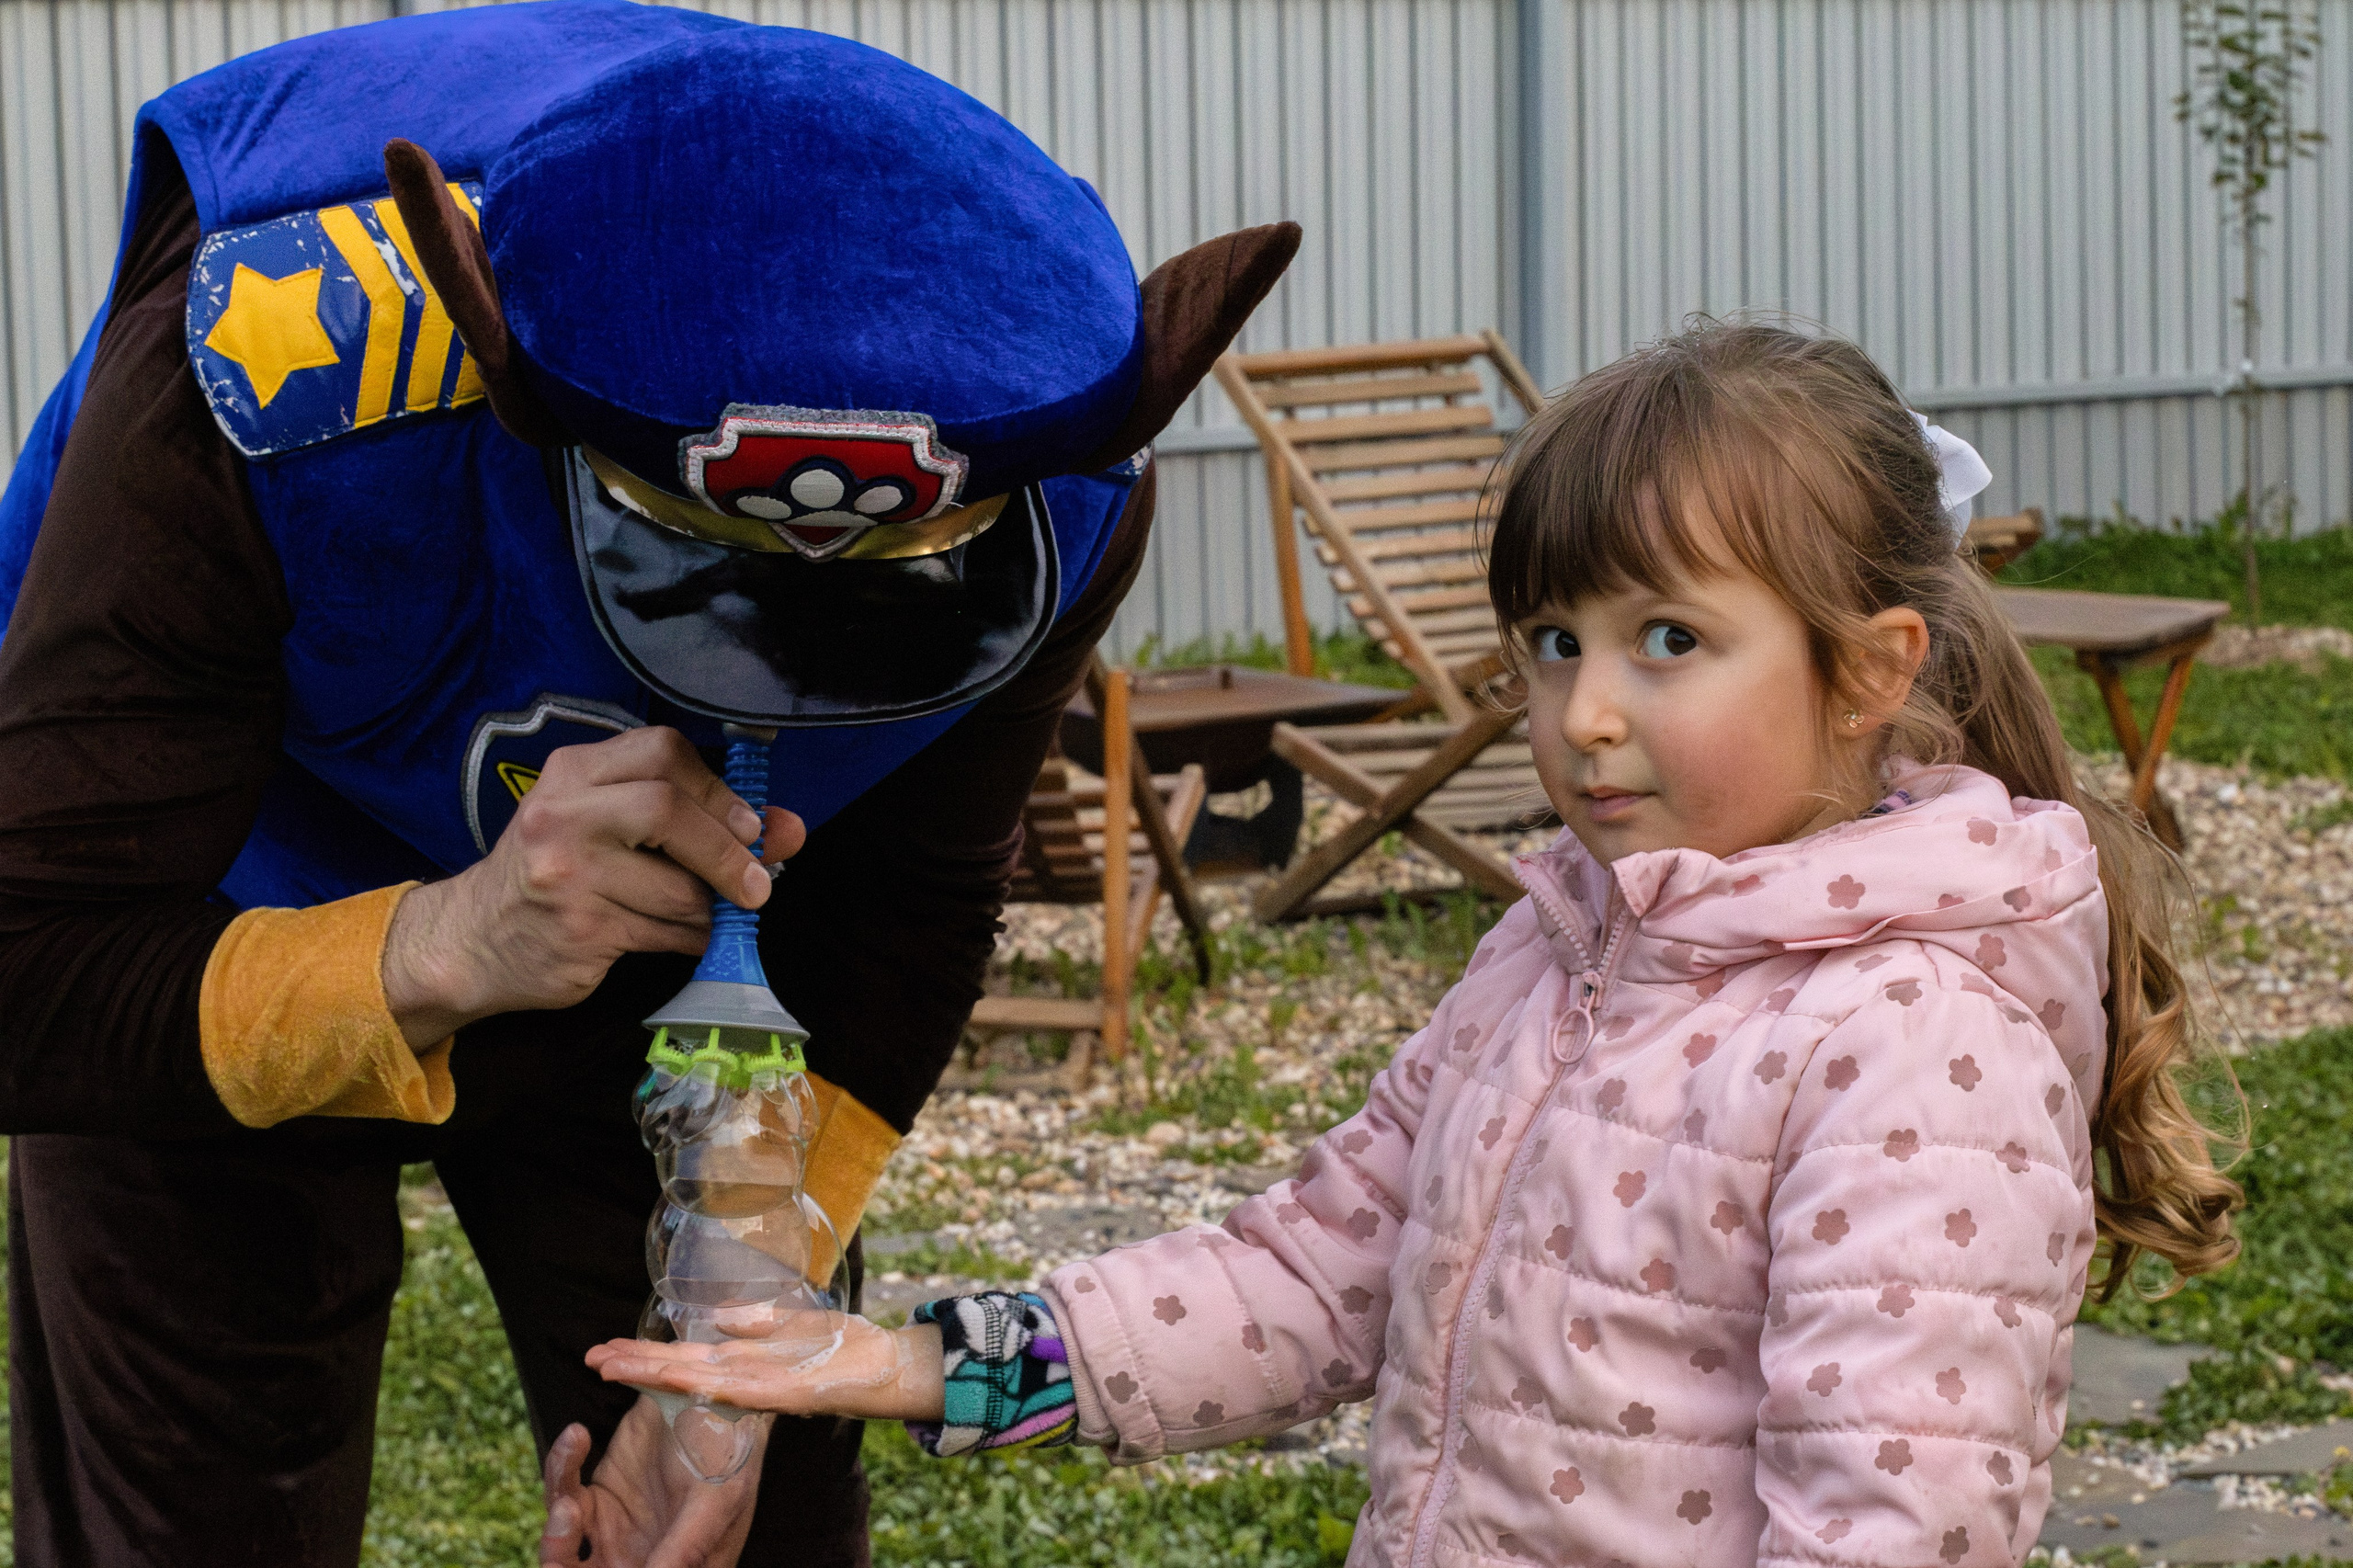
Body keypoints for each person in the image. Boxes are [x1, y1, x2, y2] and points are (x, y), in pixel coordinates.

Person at [587, 321, 2245, 1564]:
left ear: (1871, 669)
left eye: (1671, 639)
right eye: (1551, 639)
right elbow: (1312, 1270)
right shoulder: (1557, 961)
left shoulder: (1908, 1047)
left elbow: (1899, 1521)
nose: (1585, 713)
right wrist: (922, 1359)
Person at [0, 5, 1296, 1563]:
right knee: (188, 1502)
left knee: (744, 1498)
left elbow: (909, 904)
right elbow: (31, 959)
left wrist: (738, 1294)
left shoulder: (1066, 437)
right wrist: (433, 945)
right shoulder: (271, 365)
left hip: (673, 951)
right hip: (206, 889)